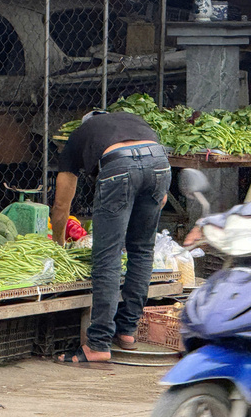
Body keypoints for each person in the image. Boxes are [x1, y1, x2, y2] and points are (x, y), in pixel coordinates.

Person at [51, 110, 171, 364]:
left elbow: (62, 205)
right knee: (141, 249)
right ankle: (127, 331)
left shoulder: (78, 137)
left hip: (119, 166)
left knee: (108, 254)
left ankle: (98, 343)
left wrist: (58, 245)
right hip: (159, 163)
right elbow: (161, 197)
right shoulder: (134, 120)